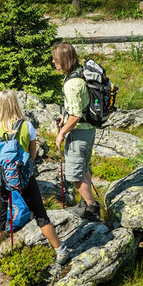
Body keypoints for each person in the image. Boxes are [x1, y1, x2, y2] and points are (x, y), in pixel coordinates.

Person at [0, 90, 70, 272]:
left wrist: (3, 171)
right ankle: (60, 250)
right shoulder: (27, 126)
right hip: (23, 177)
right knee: (40, 215)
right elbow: (32, 155)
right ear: (16, 104)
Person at [52, 42, 101, 222]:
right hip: (88, 131)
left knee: (74, 173)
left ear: (64, 60)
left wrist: (61, 133)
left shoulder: (72, 84)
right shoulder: (80, 73)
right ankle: (85, 203)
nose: (53, 62)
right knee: (83, 168)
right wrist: (64, 117)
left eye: (56, 59)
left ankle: (91, 208)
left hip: (79, 134)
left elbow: (76, 116)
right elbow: (77, 108)